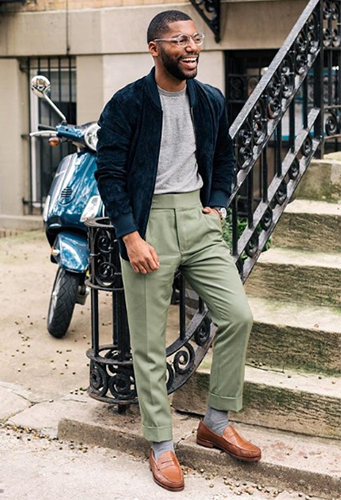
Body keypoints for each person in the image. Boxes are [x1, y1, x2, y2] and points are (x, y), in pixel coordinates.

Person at [95, 10, 261, 492]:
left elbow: (224, 159)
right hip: (148, 226)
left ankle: (215, 421)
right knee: (148, 344)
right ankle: (161, 444)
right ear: (154, 49)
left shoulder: (209, 99)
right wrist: (130, 235)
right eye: (179, 40)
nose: (191, 47)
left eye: (196, 39)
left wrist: (217, 203)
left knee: (238, 315)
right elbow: (109, 173)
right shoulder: (127, 103)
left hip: (198, 219)